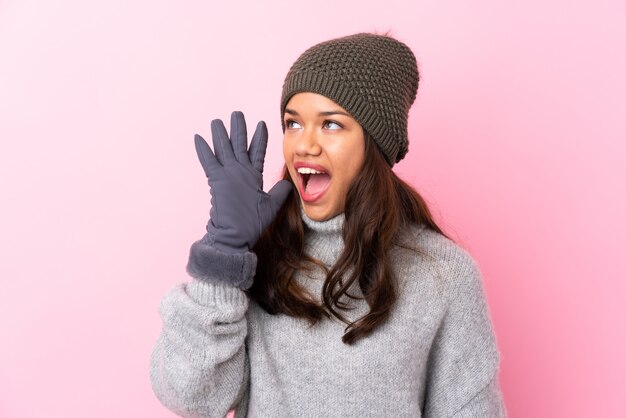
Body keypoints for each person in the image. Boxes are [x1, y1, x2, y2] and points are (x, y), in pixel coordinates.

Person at [150, 33, 507, 417]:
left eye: (331, 125)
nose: (304, 145)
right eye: (293, 123)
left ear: (374, 144)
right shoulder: (258, 257)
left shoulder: (441, 275)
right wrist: (223, 254)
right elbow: (189, 395)